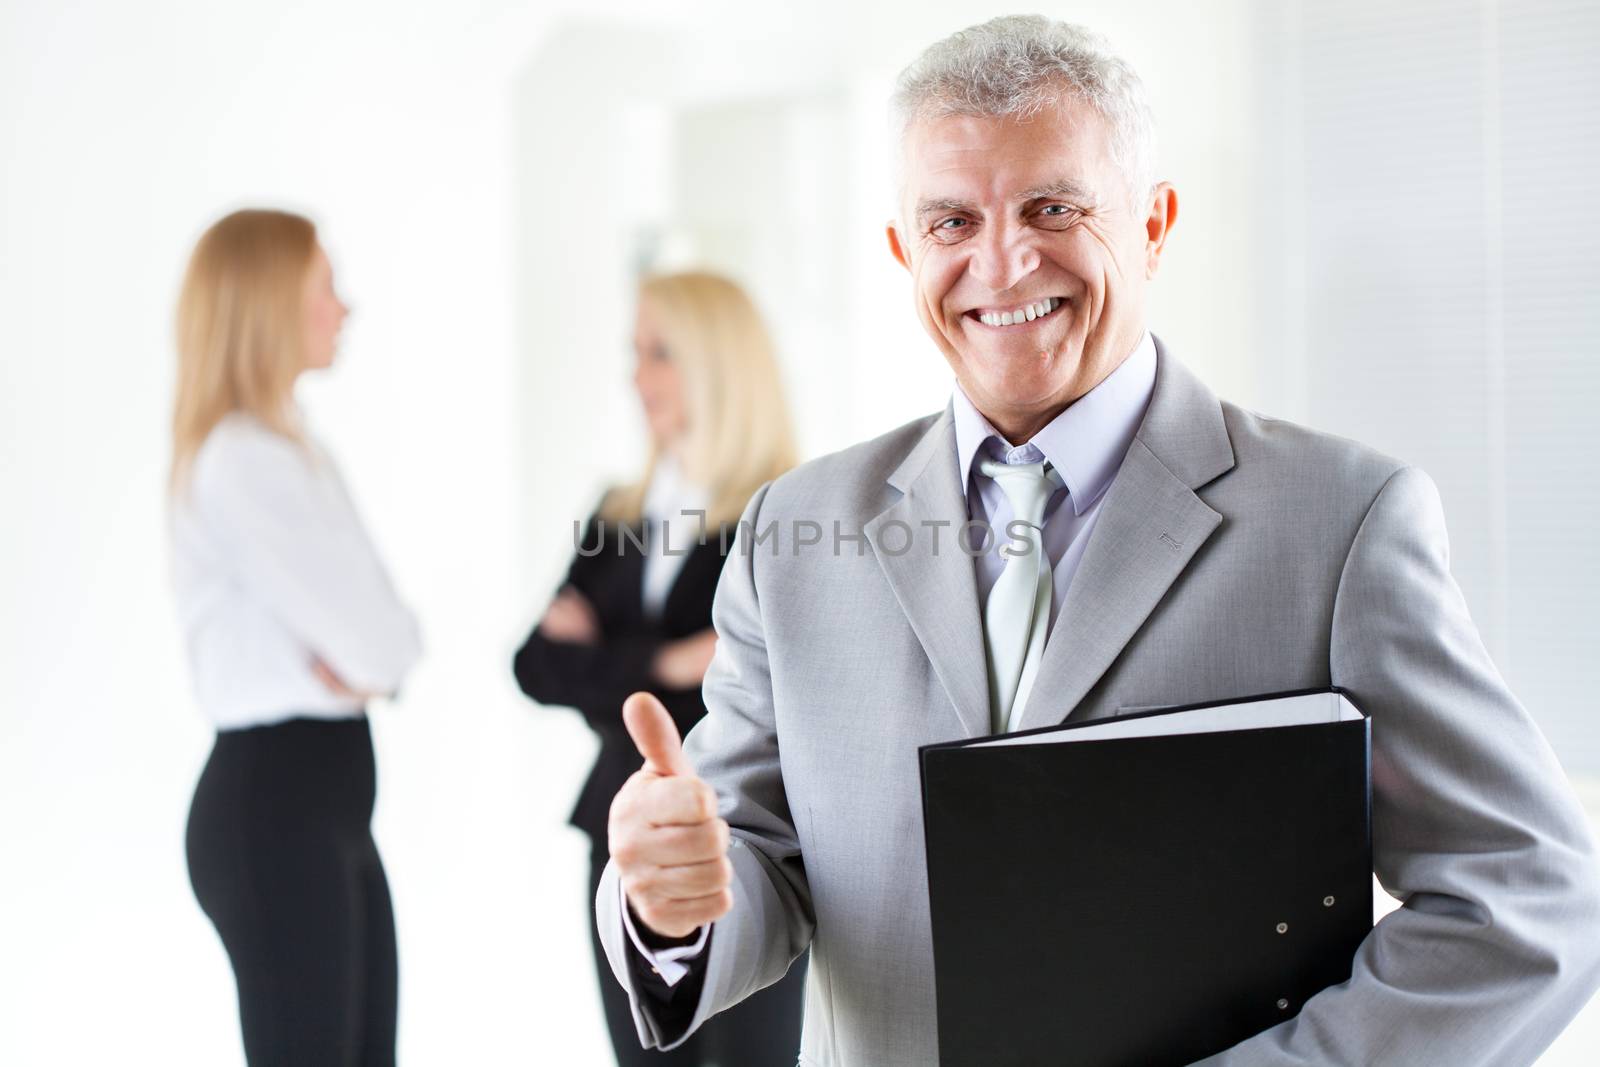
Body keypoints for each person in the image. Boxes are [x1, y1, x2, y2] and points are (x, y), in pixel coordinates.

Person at [595, 15, 1600, 1067]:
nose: (1002, 260)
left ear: (1155, 223)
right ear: (902, 249)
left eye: (1053, 206)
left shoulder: (1340, 522)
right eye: (950, 222)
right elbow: (754, 858)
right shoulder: (792, 536)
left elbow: (1526, 897)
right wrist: (673, 902)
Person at [514, 271, 807, 1065]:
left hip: (747, 844)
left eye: (660, 353)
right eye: (634, 352)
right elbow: (536, 663)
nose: (636, 377)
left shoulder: (783, 514)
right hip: (623, 838)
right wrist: (671, 661)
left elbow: (778, 680)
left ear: (717, 363)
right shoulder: (618, 509)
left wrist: (604, 659)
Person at [169, 209, 422, 1066]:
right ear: (273, 304)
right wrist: (372, 662)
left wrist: (371, 662)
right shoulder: (244, 459)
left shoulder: (292, 449)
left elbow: (388, 642)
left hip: (323, 810)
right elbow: (384, 645)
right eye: (325, 287)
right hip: (274, 810)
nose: (344, 307)